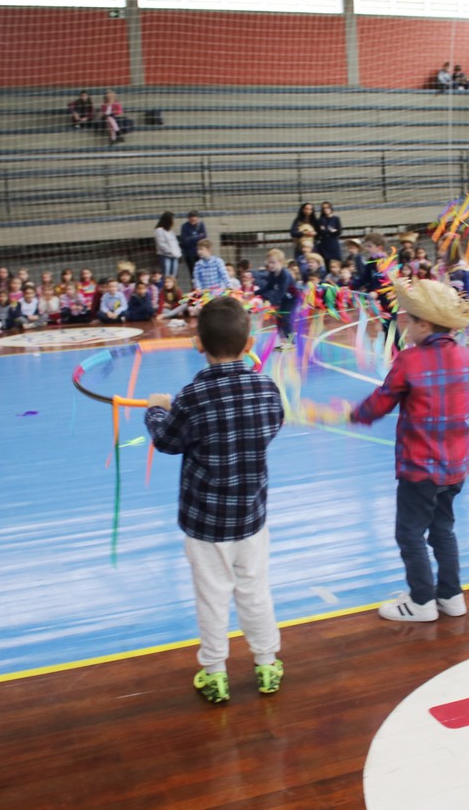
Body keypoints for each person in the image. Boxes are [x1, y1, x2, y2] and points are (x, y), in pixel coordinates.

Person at [143, 297, 286, 703]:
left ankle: (215, 673)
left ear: (199, 344)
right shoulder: (266, 388)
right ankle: (267, 664)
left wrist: (156, 411)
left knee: (212, 598)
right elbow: (273, 423)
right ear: (249, 344)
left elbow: (167, 440)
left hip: (205, 522)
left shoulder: (192, 396)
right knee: (254, 591)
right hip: (250, 516)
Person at [348, 277, 469, 622]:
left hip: (420, 467)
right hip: (456, 466)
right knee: (442, 529)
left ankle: (421, 601)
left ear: (424, 324)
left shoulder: (410, 360)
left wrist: (355, 413)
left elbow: (381, 403)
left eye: (408, 321)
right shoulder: (466, 357)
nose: (405, 327)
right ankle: (451, 596)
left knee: (409, 533)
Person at [256, 249, 297, 342]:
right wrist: (255, 293)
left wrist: (270, 302)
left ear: (281, 262)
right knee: (279, 319)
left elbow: (281, 291)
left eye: (273, 263)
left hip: (292, 299)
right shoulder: (272, 273)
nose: (270, 265)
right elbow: (269, 286)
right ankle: (282, 340)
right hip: (284, 299)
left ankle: (291, 340)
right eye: (269, 262)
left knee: (286, 319)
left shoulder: (285, 275)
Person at [153, 211, 182, 281]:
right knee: (166, 276)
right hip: (165, 256)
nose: (174, 221)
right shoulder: (159, 230)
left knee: (173, 276)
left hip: (174, 256)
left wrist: (178, 252)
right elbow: (162, 245)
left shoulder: (170, 231)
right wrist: (171, 252)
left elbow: (175, 243)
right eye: (172, 219)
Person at [180, 211, 208, 276]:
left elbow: (204, 237)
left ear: (197, 218)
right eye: (191, 219)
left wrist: (191, 238)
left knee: (203, 271)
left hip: (200, 253)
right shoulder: (185, 226)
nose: (193, 221)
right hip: (190, 254)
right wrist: (198, 237)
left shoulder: (201, 225)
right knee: (193, 273)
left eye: (194, 219)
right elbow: (185, 241)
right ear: (188, 219)